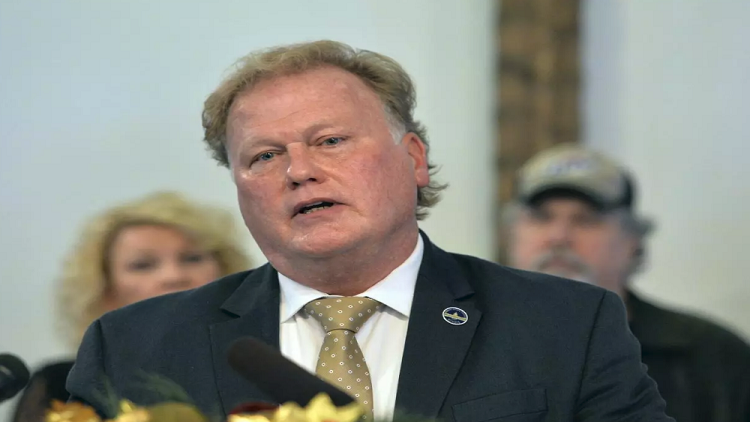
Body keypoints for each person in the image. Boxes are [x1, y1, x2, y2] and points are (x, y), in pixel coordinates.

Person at [67, 40, 673, 421]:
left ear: (413, 159)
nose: (299, 171)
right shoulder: (134, 345)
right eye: (264, 156)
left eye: (330, 141)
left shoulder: (563, 324)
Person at [504, 143, 750, 422]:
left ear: (633, 240)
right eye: (541, 217)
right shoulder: (471, 344)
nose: (559, 236)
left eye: (586, 220)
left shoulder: (712, 357)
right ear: (512, 234)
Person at [12, 191, 251, 422]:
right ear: (104, 289)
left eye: (192, 258)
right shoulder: (61, 386)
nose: (174, 276)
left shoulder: (259, 369)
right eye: (143, 265)